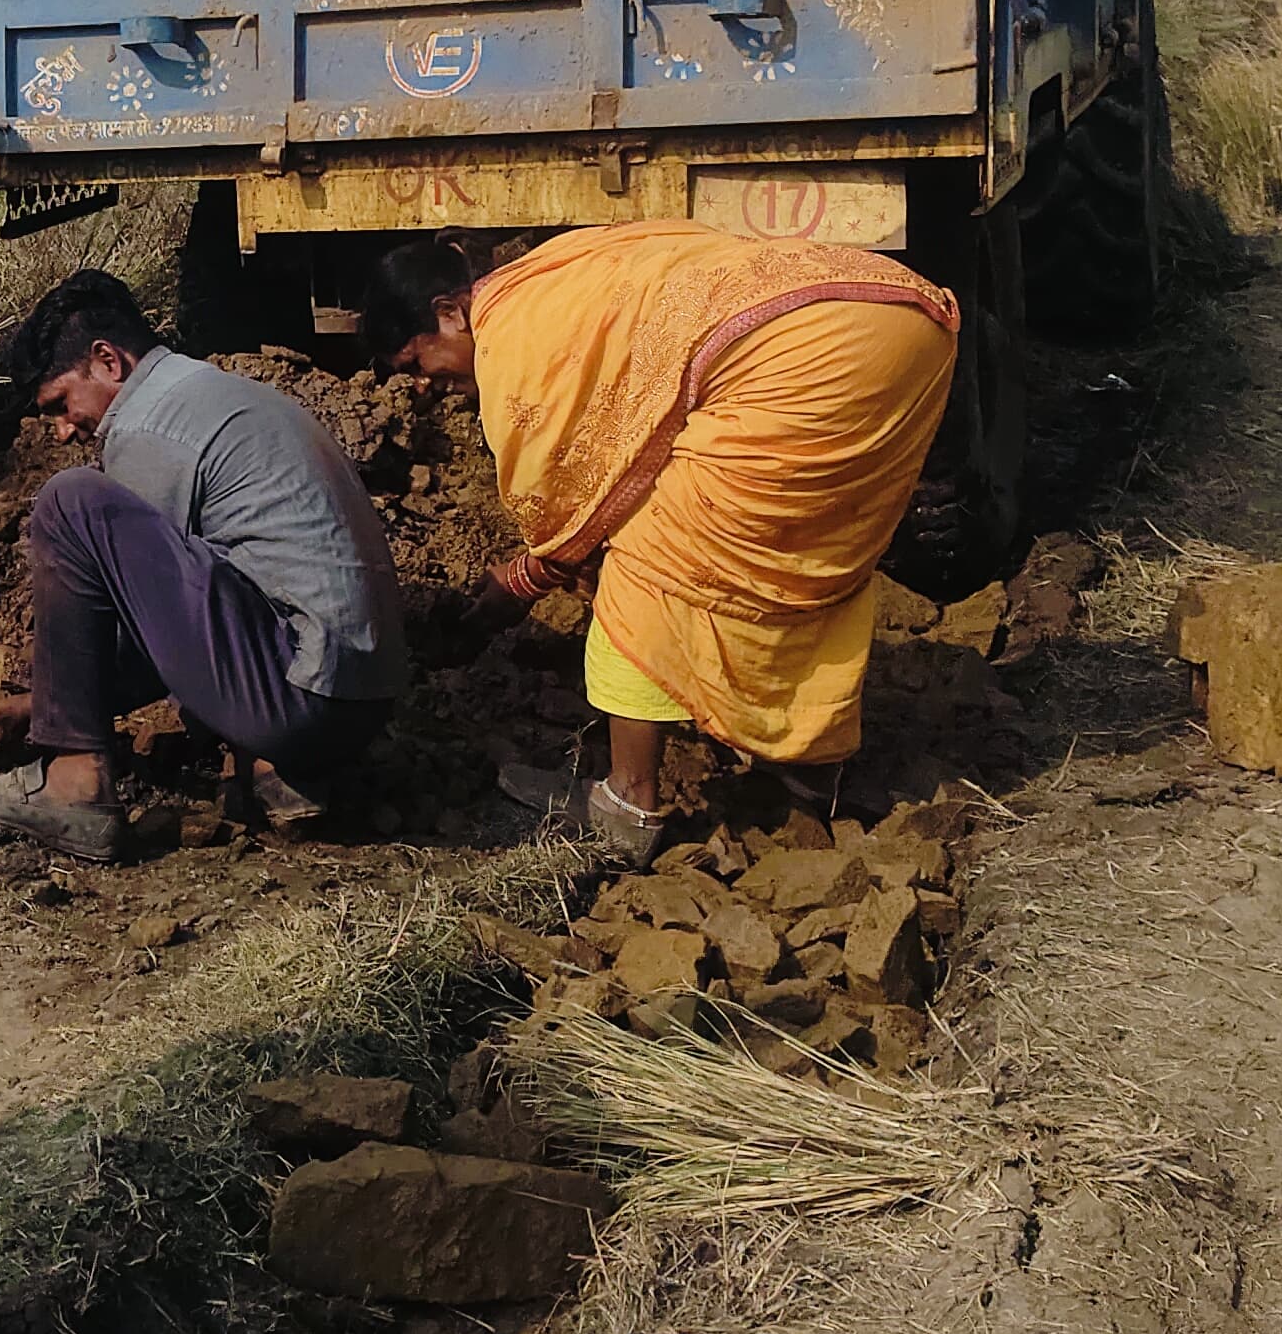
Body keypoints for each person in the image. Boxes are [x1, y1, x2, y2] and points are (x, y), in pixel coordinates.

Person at [360, 225, 957, 859]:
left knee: (649, 563)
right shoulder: (542, 273)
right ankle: (807, 762)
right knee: (793, 550)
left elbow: (583, 507)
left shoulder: (511, 341)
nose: (423, 385)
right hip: (897, 314)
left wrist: (521, 583)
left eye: (416, 362)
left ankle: (627, 802)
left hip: (804, 352)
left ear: (449, 313)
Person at [0, 270, 411, 860]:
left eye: (60, 405)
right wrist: (47, 706)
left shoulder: (146, 427)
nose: (62, 431)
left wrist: (60, 716)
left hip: (300, 700)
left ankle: (74, 783)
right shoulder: (210, 393)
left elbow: (149, 638)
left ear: (108, 361)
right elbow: (184, 615)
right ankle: (277, 767)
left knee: (71, 502)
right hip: (358, 709)